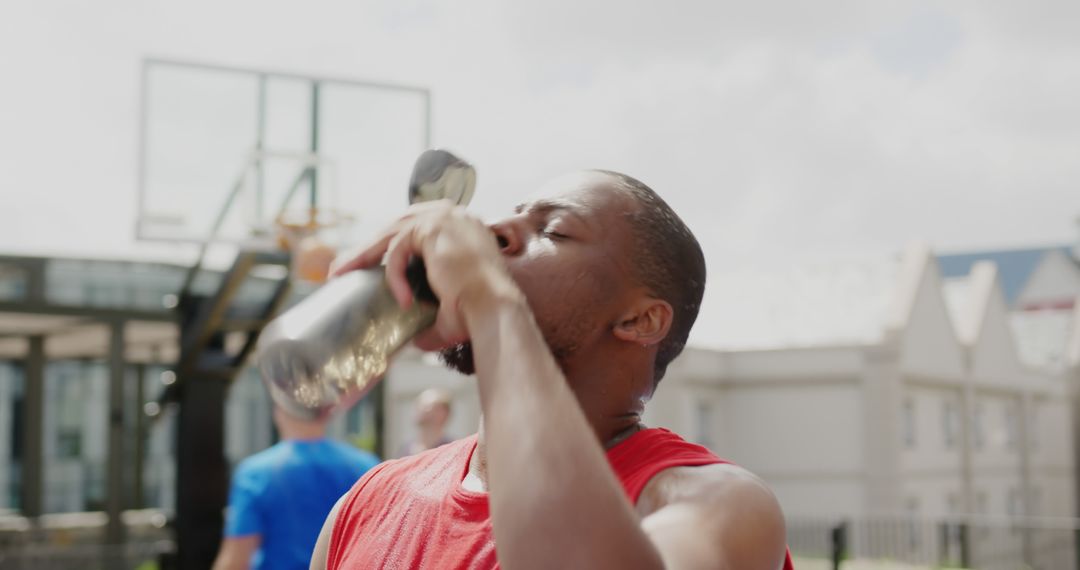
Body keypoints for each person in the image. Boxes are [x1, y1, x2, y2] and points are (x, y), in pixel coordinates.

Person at [312, 170, 794, 569]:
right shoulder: (367, 502)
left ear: (640, 319)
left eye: (555, 231)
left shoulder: (716, 505)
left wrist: (491, 301)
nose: (493, 230)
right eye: (510, 215)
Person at [212, 407, 380, 570]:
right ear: (327, 412)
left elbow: (236, 560)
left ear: (278, 411)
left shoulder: (255, 474)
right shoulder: (366, 467)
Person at [397, 388, 453, 457]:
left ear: (442, 413)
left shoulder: (451, 450)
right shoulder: (405, 450)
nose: (418, 410)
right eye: (417, 405)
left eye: (426, 406)